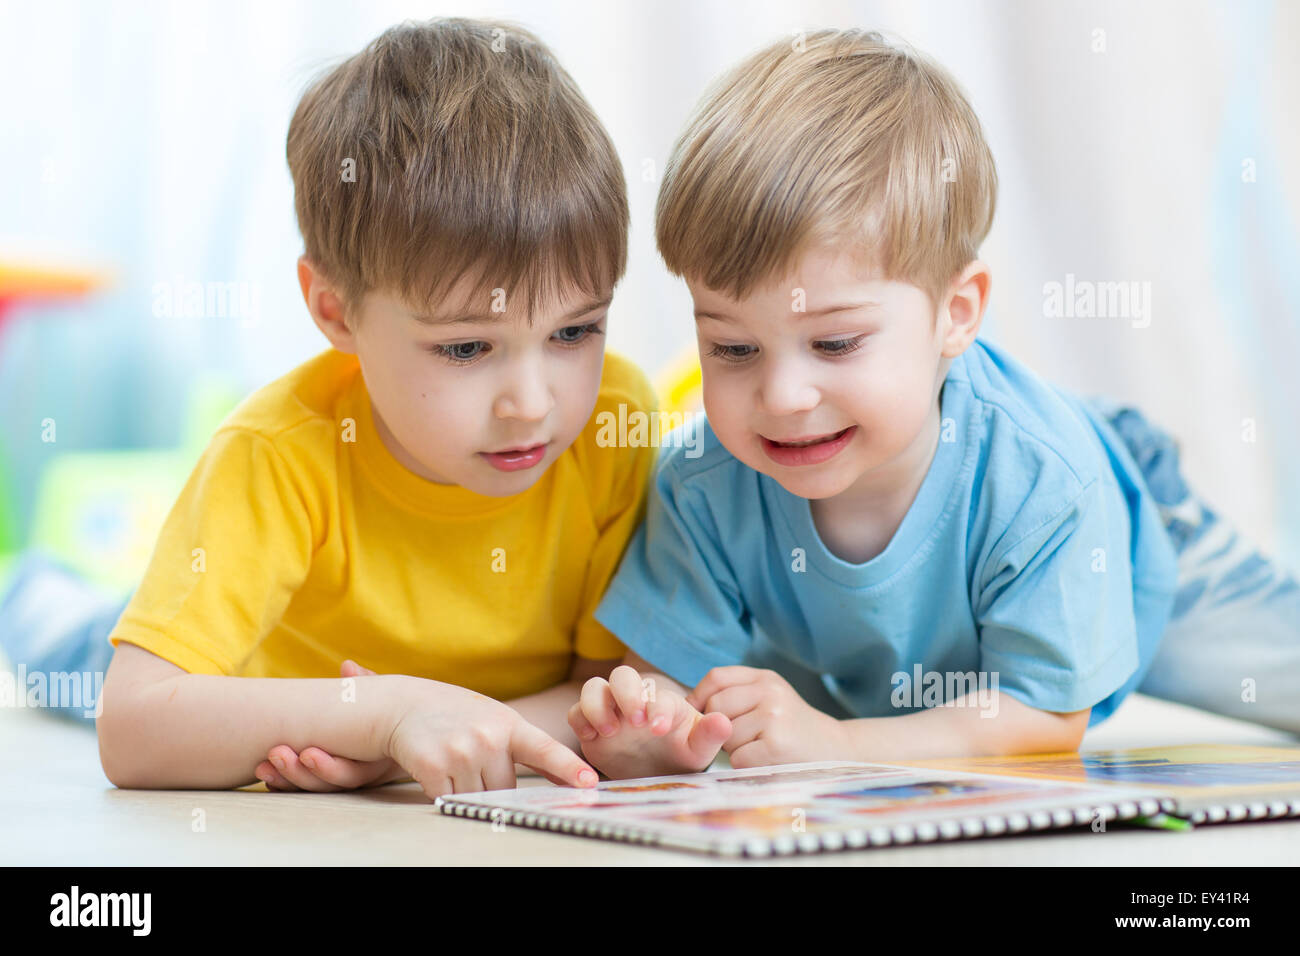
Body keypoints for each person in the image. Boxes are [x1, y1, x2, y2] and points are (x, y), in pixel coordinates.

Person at [568, 29, 1300, 778]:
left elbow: (1043, 715)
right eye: (733, 349)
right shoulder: (702, 486)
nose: (783, 398)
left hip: (1139, 538)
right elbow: (665, 676)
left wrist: (843, 744)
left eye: (837, 343)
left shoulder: (1045, 482)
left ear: (957, 313)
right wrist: (649, 724)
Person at [84, 17, 657, 799]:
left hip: (362, 732)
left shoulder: (616, 419)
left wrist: (416, 734)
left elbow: (603, 695)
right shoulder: (279, 452)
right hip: (203, 679)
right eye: (465, 349)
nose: (532, 406)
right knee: (65, 634)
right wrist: (385, 710)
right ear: (336, 310)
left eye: (574, 330)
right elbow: (132, 727)